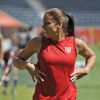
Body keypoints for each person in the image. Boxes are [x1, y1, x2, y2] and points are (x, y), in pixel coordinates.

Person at [13, 8, 96, 100]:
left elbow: (91, 56)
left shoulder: (75, 43)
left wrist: (86, 69)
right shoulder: (38, 42)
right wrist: (27, 66)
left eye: (47, 23)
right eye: (43, 24)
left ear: (59, 24)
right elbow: (16, 60)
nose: (43, 27)